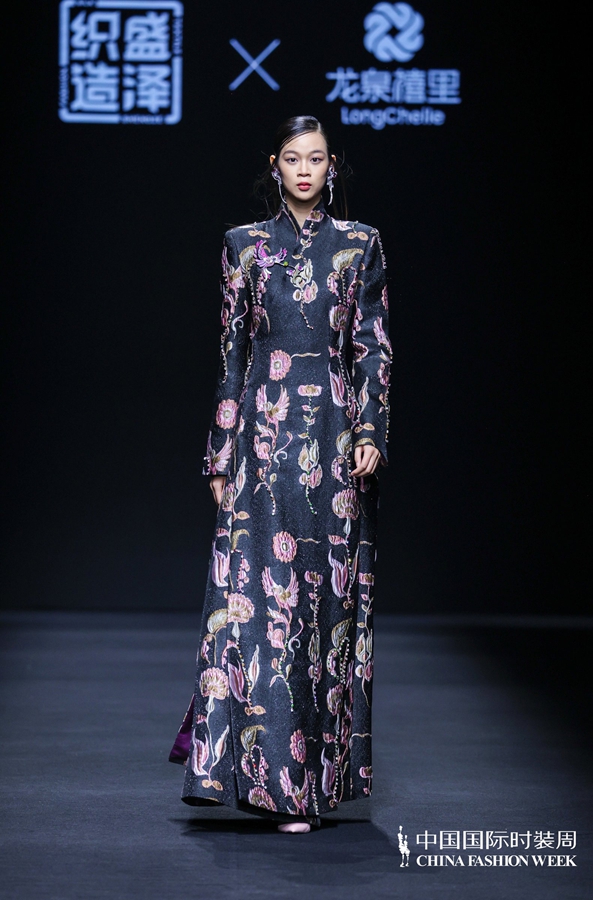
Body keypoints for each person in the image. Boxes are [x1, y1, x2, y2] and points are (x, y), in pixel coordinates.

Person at [169, 115, 392, 834]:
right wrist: (220, 453)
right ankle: (267, 784)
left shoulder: (360, 243)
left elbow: (373, 347)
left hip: (332, 440)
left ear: (332, 166)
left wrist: (370, 431)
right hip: (261, 442)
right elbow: (231, 352)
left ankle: (311, 785)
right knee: (257, 603)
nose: (304, 169)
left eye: (316, 158)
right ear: (275, 165)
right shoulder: (244, 245)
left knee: (322, 609)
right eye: (293, 158)